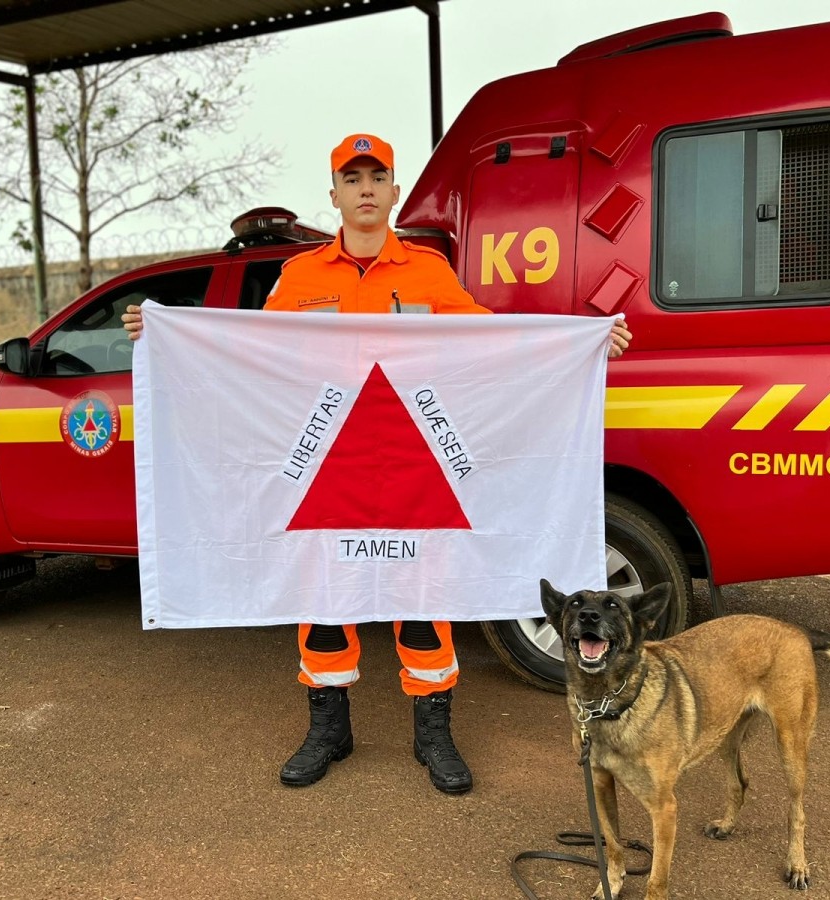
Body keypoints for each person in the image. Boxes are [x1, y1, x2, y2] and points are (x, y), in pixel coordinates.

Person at [122, 133, 632, 795]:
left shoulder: (428, 273)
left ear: (394, 191)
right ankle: (329, 729)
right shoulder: (300, 277)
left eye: (377, 176)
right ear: (333, 195)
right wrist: (164, 333)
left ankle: (434, 733)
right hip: (326, 470)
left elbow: (490, 346)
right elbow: (258, 360)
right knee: (322, 601)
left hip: (414, 471)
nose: (365, 188)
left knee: (425, 603)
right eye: (351, 177)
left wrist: (584, 344)